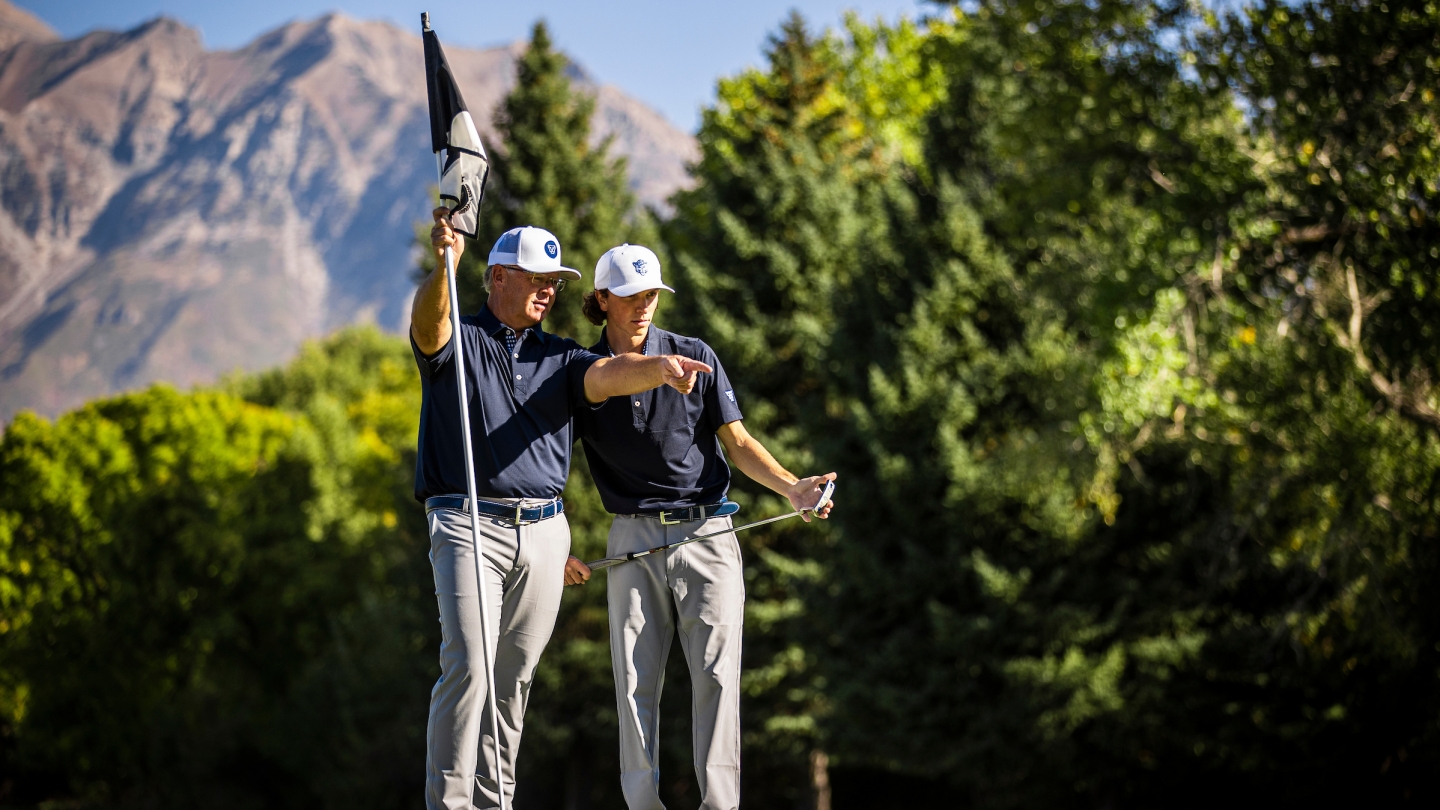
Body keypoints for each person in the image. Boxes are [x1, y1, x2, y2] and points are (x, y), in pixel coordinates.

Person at [412, 212, 714, 810]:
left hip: (545, 534)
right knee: (469, 666)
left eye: (555, 279)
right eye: (535, 277)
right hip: (468, 523)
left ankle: (495, 802)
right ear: (497, 278)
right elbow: (429, 322)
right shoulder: (458, 339)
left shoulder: (564, 356)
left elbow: (605, 375)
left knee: (512, 683)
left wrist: (657, 368)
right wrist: (446, 262)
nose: (549, 288)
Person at [565, 244, 836, 810]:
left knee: (715, 677)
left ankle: (720, 804)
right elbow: (547, 466)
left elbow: (738, 444)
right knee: (634, 683)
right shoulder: (584, 375)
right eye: (632, 296)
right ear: (603, 299)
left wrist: (792, 487)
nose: (644, 306)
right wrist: (557, 542)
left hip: (707, 534)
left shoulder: (696, 356)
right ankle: (642, 805)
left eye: (652, 296)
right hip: (631, 538)